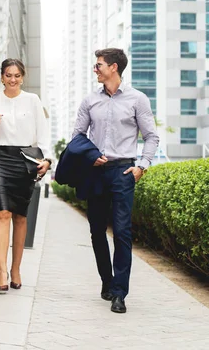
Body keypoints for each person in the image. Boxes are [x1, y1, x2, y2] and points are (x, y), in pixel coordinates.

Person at [73, 48, 159, 313]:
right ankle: (106, 282)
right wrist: (89, 157)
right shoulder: (90, 101)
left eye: (98, 65)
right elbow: (78, 136)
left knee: (122, 232)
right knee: (97, 230)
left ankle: (120, 292)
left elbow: (152, 136)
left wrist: (141, 166)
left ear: (113, 67)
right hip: (96, 172)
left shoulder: (137, 99)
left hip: (123, 171)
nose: (95, 69)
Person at [0, 58, 51, 293]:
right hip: (1, 157)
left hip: (25, 159)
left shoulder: (32, 100)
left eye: (17, 75)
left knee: (20, 216)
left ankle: (16, 268)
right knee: (3, 212)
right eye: (8, 75)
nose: (13, 79)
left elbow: (43, 134)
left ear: (23, 77)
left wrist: (47, 159)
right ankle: (1, 271)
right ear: (1, 77)